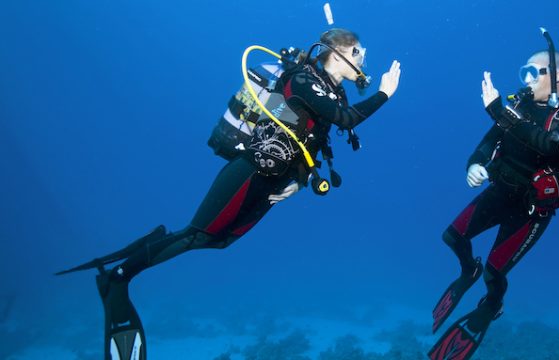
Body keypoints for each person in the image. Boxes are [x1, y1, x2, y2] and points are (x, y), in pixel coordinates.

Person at [56, 28, 401, 360]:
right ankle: (118, 279)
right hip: (249, 169)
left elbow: (309, 138)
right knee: (196, 235)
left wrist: (298, 181)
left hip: (272, 182)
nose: (363, 57)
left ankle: (156, 241)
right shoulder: (303, 80)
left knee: (220, 241)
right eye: (358, 51)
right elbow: (346, 120)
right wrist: (384, 93)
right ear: (338, 53)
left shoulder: (332, 91)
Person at [428, 29, 559, 360]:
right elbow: (489, 141)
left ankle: (492, 304)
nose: (528, 78)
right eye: (526, 71)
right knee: (452, 237)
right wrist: (474, 165)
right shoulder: (517, 105)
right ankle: (468, 271)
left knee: (496, 272)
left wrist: (499, 112)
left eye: (536, 71)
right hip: (499, 191)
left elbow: (552, 144)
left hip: (532, 210)